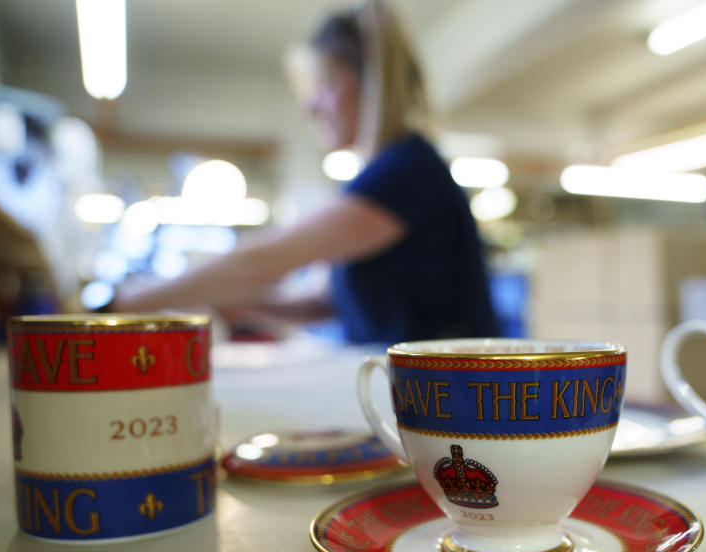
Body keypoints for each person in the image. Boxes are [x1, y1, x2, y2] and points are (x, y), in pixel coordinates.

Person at [112, 0, 498, 344]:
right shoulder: (391, 171)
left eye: (326, 84)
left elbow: (267, 259)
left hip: (447, 402)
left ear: (371, 85)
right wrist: (240, 304)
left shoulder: (407, 172)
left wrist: (123, 305)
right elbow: (324, 303)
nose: (309, 106)